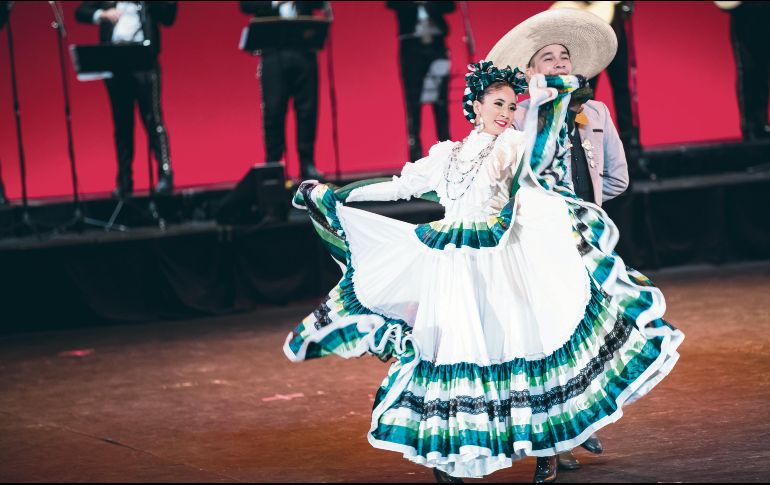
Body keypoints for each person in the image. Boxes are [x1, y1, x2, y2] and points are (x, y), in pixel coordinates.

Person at [285, 55, 683, 482]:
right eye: (498, 104)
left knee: (517, 344)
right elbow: (400, 187)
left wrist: (552, 100)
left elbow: (540, 159)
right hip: (452, 266)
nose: (506, 113)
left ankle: (547, 447)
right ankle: (450, 453)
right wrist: (338, 195)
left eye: (512, 106)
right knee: (455, 349)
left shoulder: (512, 146)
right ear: (476, 105)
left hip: (499, 260)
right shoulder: (446, 154)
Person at [75, 1, 177, 199]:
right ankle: (124, 181)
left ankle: (165, 174)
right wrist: (103, 15)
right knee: (122, 125)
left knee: (153, 120)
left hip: (144, 61)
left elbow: (168, 17)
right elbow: (81, 12)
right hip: (115, 60)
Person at [240, 1, 327, 180]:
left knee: (307, 109)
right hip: (273, 50)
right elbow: (247, 5)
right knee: (273, 110)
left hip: (304, 48)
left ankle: (307, 163)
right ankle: (274, 163)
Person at [387, 1, 455, 162]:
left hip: (437, 45)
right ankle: (415, 158)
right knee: (413, 104)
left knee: (441, 103)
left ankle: (446, 154)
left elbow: (450, 6)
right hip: (411, 45)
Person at [719, 1, 770, 141]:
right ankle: (749, 124)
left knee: (763, 72)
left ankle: (762, 122)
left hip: (764, 16)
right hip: (745, 19)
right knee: (748, 70)